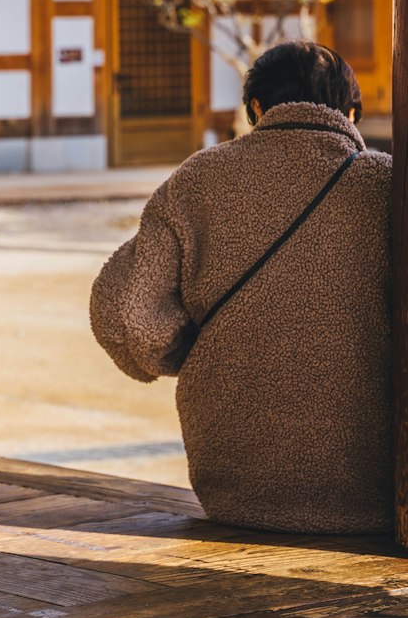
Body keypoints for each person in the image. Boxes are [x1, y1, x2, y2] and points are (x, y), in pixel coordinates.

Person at [90, 40, 392, 534]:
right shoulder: (385, 183)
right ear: (351, 112)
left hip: (236, 485)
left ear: (255, 107)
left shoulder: (199, 178)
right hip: (371, 484)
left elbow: (124, 313)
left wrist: (201, 349)